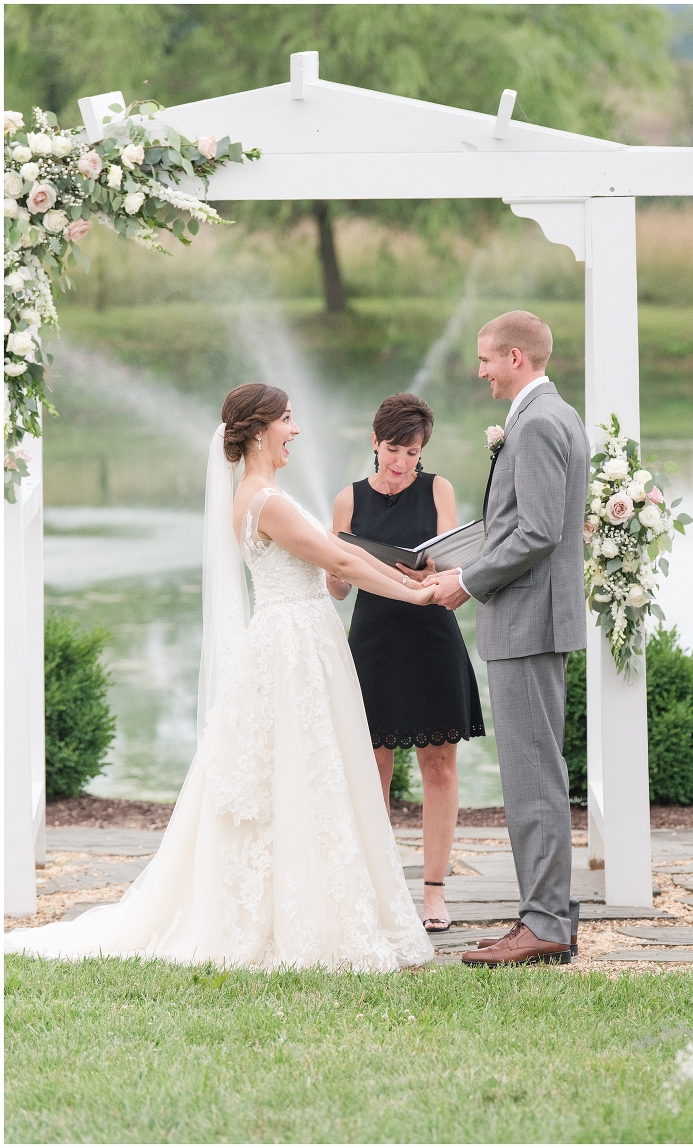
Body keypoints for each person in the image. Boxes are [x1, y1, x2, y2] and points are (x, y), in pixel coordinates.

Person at [6, 383, 436, 972]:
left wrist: (411, 584)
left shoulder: (262, 494)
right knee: (298, 770)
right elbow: (338, 561)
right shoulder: (266, 502)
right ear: (260, 430)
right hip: (291, 649)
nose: (297, 430)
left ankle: (311, 900)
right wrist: (416, 594)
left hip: (302, 642)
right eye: (288, 420)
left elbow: (345, 555)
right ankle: (292, 912)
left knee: (311, 773)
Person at [425, 311, 589, 966]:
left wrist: (467, 579)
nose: (481, 369)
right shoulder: (555, 416)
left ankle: (545, 924)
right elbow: (521, 521)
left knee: (532, 779)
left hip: (528, 622)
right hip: (532, 619)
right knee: (535, 773)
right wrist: (458, 551)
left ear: (516, 356)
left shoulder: (540, 422)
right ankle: (545, 916)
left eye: (487, 359)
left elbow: (539, 531)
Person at [329, 393, 485, 933]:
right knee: (373, 768)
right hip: (373, 638)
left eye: (412, 453)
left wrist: (431, 572)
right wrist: (333, 570)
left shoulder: (438, 488)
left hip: (430, 632)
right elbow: (339, 588)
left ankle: (435, 894)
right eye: (393, 450)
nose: (401, 463)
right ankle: (377, 888)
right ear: (374, 442)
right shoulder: (347, 500)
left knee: (438, 765)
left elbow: (449, 561)